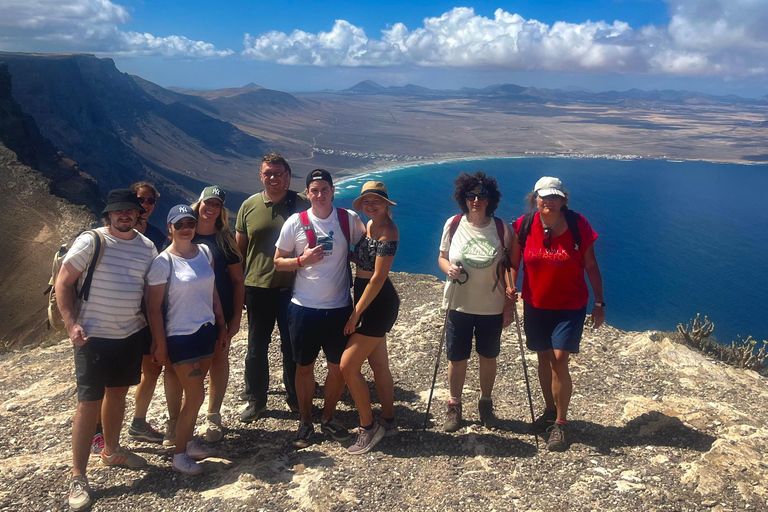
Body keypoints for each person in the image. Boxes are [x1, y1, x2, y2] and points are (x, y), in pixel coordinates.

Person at [55, 189, 157, 511]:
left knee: (117, 395)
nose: (124, 216)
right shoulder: (91, 241)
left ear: (137, 214)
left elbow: (151, 293)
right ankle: (78, 476)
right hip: (92, 338)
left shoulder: (147, 248)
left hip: (129, 335)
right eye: (118, 212)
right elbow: (63, 282)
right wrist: (71, 325)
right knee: (88, 404)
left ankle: (111, 451)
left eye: (129, 211)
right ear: (108, 215)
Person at [510, 176, 605, 452]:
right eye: (543, 196)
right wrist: (509, 287)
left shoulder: (578, 225)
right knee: (543, 357)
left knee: (559, 359)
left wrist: (599, 303)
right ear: (535, 198)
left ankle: (561, 424)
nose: (548, 201)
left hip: (569, 305)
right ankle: (550, 412)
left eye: (555, 197)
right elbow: (513, 262)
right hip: (535, 304)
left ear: (564, 200)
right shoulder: (524, 225)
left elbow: (591, 264)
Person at [274, 169, 365, 448]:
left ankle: (327, 418)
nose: (320, 195)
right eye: (314, 190)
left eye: (324, 189)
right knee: (304, 368)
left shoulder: (347, 219)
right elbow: (278, 261)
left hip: (339, 308)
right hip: (304, 308)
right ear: (308, 193)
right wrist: (302, 261)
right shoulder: (295, 222)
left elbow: (363, 249)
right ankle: (305, 421)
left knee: (337, 368)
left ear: (332, 191)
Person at [146, 205, 230, 475]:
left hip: (206, 331)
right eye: (179, 223)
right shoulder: (162, 263)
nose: (186, 228)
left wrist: (222, 324)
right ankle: (179, 454)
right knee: (196, 395)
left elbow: (213, 289)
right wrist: (159, 344)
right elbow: (153, 308)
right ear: (169, 228)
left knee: (193, 394)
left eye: (190, 223)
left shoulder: (204, 252)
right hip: (180, 336)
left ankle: (188, 442)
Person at [236, 153, 310, 422]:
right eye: (268, 173)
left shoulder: (302, 204)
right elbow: (240, 251)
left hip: (293, 288)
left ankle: (296, 399)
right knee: (256, 347)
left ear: (288, 176)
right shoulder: (249, 205)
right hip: (257, 287)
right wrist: (238, 288)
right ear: (261, 176)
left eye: (279, 173)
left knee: (291, 347)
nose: (273, 178)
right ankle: (256, 400)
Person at [437, 172, 514, 432]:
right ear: (464, 198)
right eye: (471, 195)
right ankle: (454, 405)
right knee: (456, 359)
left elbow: (509, 266)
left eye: (482, 195)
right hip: (459, 304)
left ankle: (485, 404)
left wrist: (509, 304)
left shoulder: (502, 229)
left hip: (490, 306)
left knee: (488, 357)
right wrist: (447, 269)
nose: (477, 200)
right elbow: (442, 257)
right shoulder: (455, 224)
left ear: (490, 199)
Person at [340, 181, 400, 454]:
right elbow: (364, 262)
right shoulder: (368, 227)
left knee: (347, 366)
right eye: (366, 201)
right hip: (367, 296)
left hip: (376, 302)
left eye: (376, 200)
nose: (370, 205)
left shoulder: (387, 231)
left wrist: (356, 313)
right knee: (379, 365)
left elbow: (377, 277)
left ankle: (369, 427)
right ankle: (389, 421)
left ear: (386, 204)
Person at [125, 181, 183, 447]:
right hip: (121, 315)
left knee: (151, 370)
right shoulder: (114, 233)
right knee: (113, 378)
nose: (144, 205)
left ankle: (138, 422)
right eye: (140, 199)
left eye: (150, 201)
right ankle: (99, 430)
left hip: (148, 315)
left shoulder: (158, 236)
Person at [191, 186, 244, 441]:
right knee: (190, 367)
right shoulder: (183, 232)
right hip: (186, 313)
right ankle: (182, 418)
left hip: (220, 311)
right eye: (207, 203)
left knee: (218, 360)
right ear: (199, 203)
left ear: (221, 210)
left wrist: (235, 317)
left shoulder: (225, 240)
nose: (211, 209)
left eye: (217, 205)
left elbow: (237, 281)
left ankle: (213, 415)